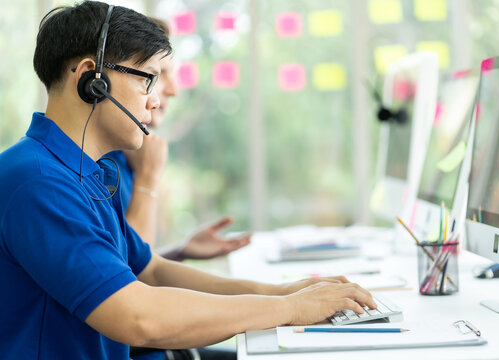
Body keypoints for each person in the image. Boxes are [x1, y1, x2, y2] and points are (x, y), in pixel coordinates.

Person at [0, 2, 376, 359]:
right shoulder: (37, 183)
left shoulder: (88, 172)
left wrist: (281, 292)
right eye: (148, 79)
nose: (155, 100)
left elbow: (153, 271)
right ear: (91, 79)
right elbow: (138, 316)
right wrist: (289, 308)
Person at [105, 18, 250, 263]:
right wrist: (148, 177)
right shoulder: (99, 162)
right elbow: (125, 280)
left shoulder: (129, 155)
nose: (174, 90)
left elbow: (115, 264)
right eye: (158, 74)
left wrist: (179, 251)